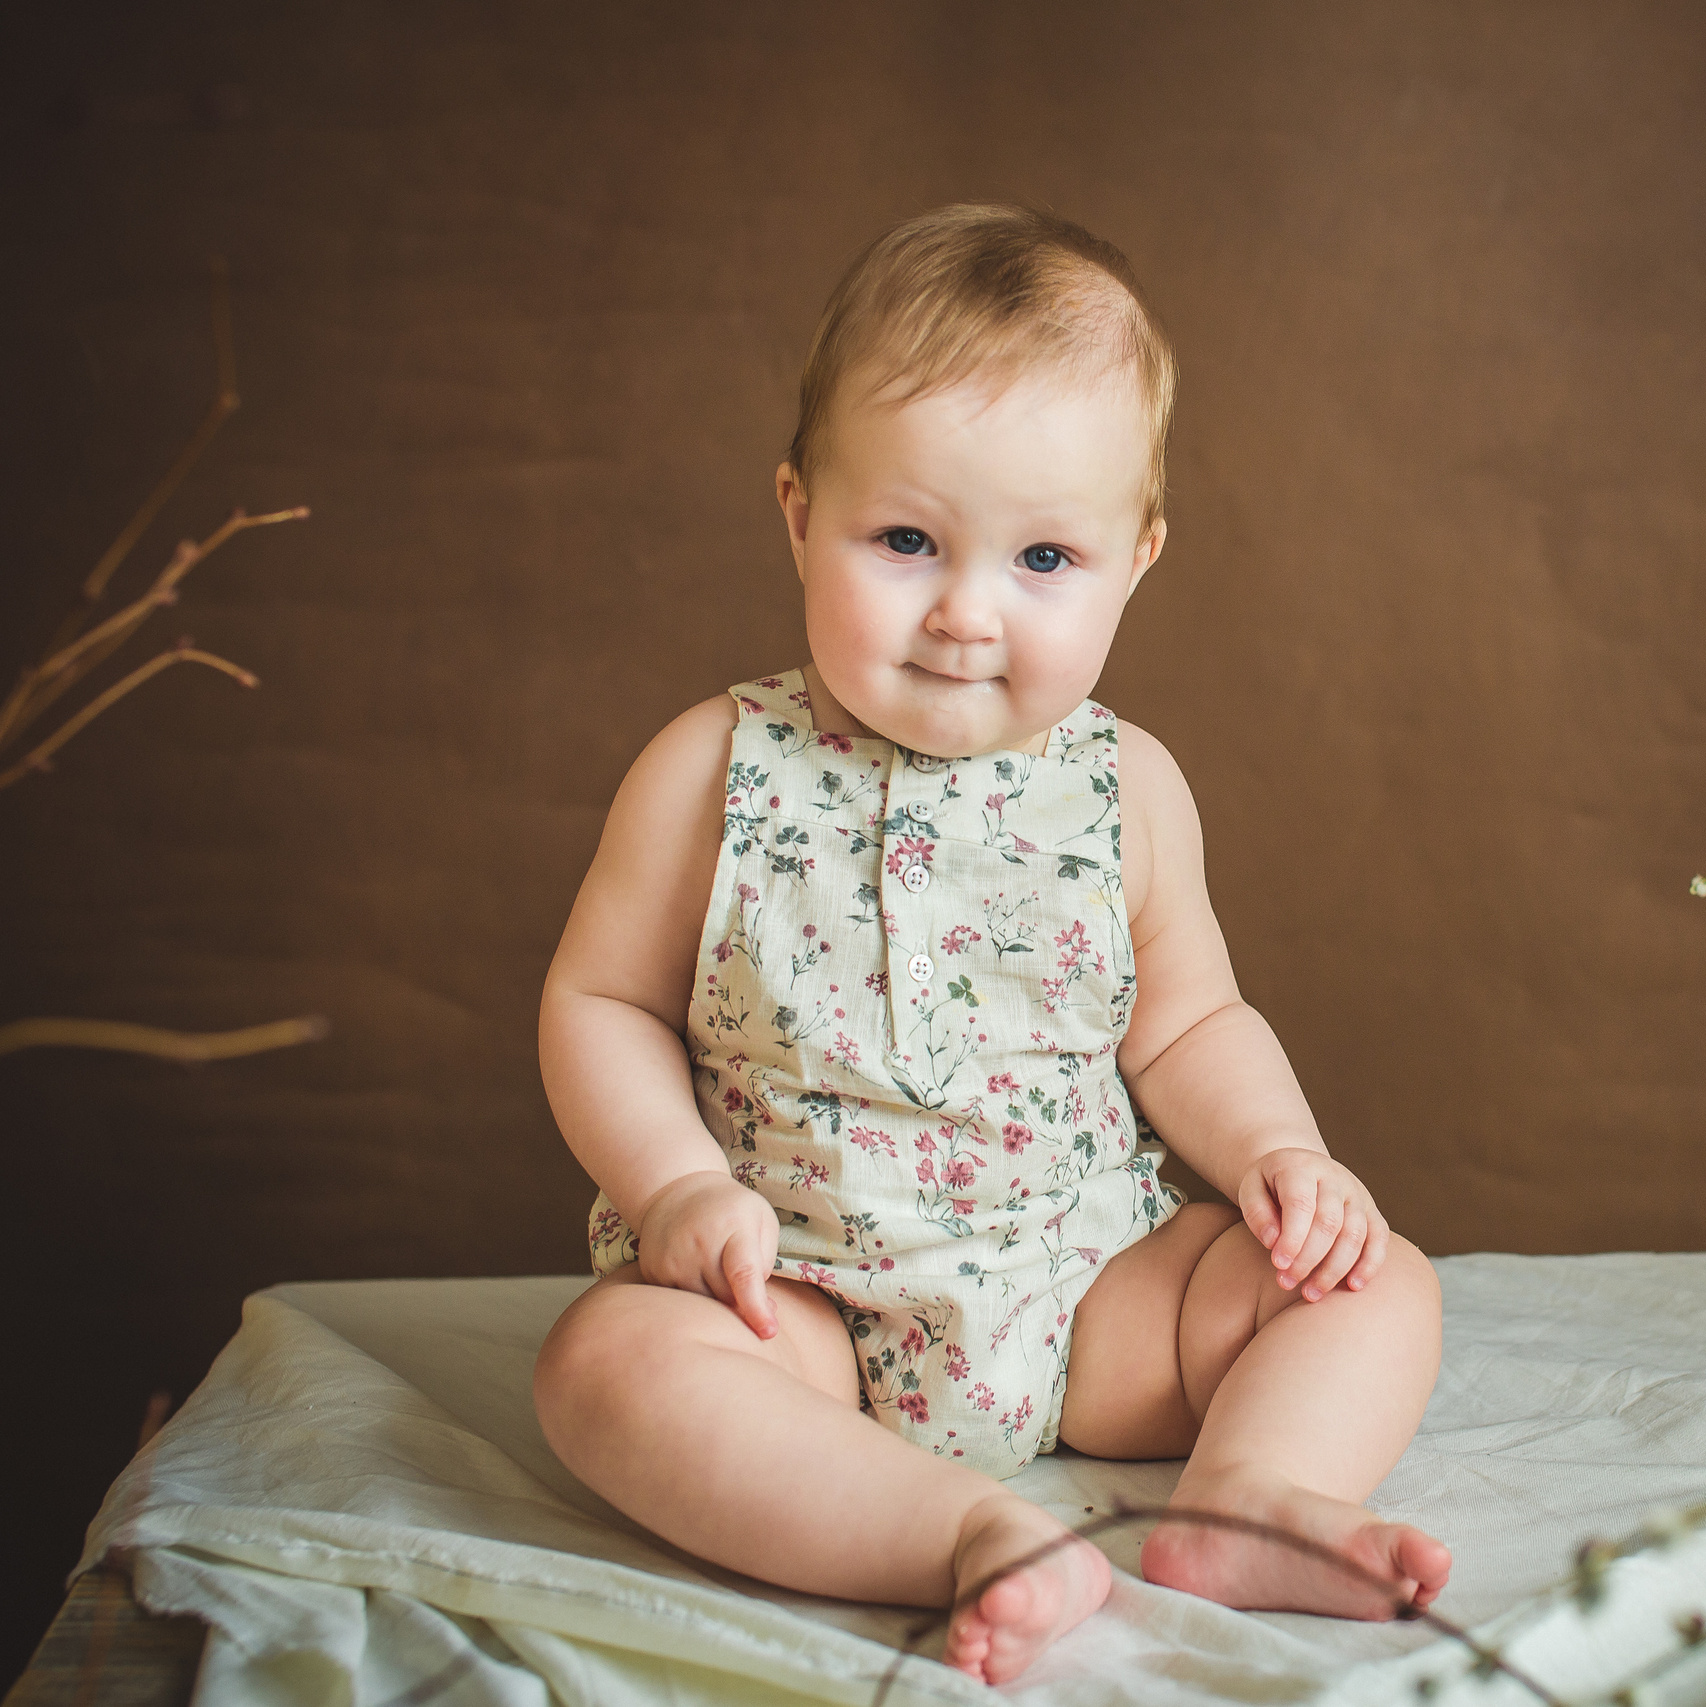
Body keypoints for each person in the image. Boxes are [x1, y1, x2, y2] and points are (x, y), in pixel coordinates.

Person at [531, 203, 1450, 1686]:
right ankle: (953, 1530)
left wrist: (1282, 1154)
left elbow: (1190, 1024)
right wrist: (677, 1187)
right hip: (799, 1299)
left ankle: (1255, 1497)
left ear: (1136, 558)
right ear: (795, 513)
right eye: (904, 540)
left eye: (1043, 559)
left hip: (1089, 1292)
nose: (965, 612)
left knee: (1375, 1283)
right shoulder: (711, 768)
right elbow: (599, 1004)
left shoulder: (1127, 786)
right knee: (603, 1371)